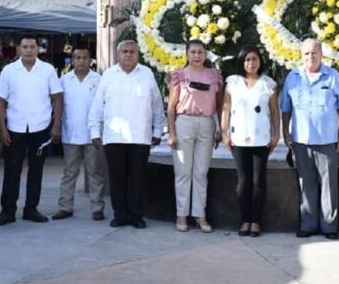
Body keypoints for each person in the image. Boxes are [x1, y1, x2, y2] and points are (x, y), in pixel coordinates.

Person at [88, 40, 164, 229]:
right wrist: (95, 131)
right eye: (124, 51)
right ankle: (119, 215)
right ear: (118, 54)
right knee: (117, 180)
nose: (128, 55)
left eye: (132, 52)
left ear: (138, 54)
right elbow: (98, 105)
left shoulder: (146, 74)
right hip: (114, 137)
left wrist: (157, 131)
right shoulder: (108, 75)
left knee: (138, 179)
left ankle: (136, 216)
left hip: (140, 137)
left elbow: (157, 105)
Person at [0, 34, 63, 226]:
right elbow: (0, 101)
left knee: (36, 171)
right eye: (25, 46)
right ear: (19, 49)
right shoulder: (8, 70)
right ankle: (7, 211)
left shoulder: (47, 70)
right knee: (11, 170)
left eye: (32, 46)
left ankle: (31, 209)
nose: (29, 50)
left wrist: (56, 126)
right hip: (14, 127)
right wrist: (2, 128)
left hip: (40, 127)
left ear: (38, 49)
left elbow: (57, 98)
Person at [280, 38, 339, 239]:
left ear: (321, 54)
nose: (311, 57)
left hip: (327, 140)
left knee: (329, 185)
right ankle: (308, 224)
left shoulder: (333, 77)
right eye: (307, 53)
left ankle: (329, 226)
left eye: (314, 53)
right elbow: (286, 107)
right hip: (301, 140)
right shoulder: (293, 77)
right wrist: (286, 131)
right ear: (301, 56)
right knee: (305, 183)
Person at [221, 46, 280, 237]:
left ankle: (256, 221)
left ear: (260, 61)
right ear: (242, 62)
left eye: (254, 59)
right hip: (238, 138)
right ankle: (244, 219)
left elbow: (274, 112)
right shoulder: (233, 83)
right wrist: (224, 133)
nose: (251, 63)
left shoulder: (268, 84)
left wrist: (276, 134)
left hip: (260, 138)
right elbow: (226, 108)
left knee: (258, 181)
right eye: (247, 60)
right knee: (243, 181)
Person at [167, 39, 224, 233]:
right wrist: (171, 133)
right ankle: (181, 215)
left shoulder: (214, 76)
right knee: (183, 172)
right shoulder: (179, 76)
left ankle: (200, 215)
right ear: (187, 54)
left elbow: (219, 104)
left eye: (200, 52)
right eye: (193, 52)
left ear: (205, 54)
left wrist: (220, 128)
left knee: (201, 172)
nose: (197, 56)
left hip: (206, 124)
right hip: (184, 122)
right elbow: (171, 107)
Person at [52, 45, 107, 222]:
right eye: (77, 57)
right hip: (70, 133)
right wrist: (57, 127)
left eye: (84, 57)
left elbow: (103, 107)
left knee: (95, 172)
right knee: (69, 172)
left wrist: (100, 130)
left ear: (90, 60)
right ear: (72, 60)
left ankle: (97, 208)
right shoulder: (64, 80)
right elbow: (58, 106)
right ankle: (65, 207)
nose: (81, 61)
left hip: (93, 135)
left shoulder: (98, 80)